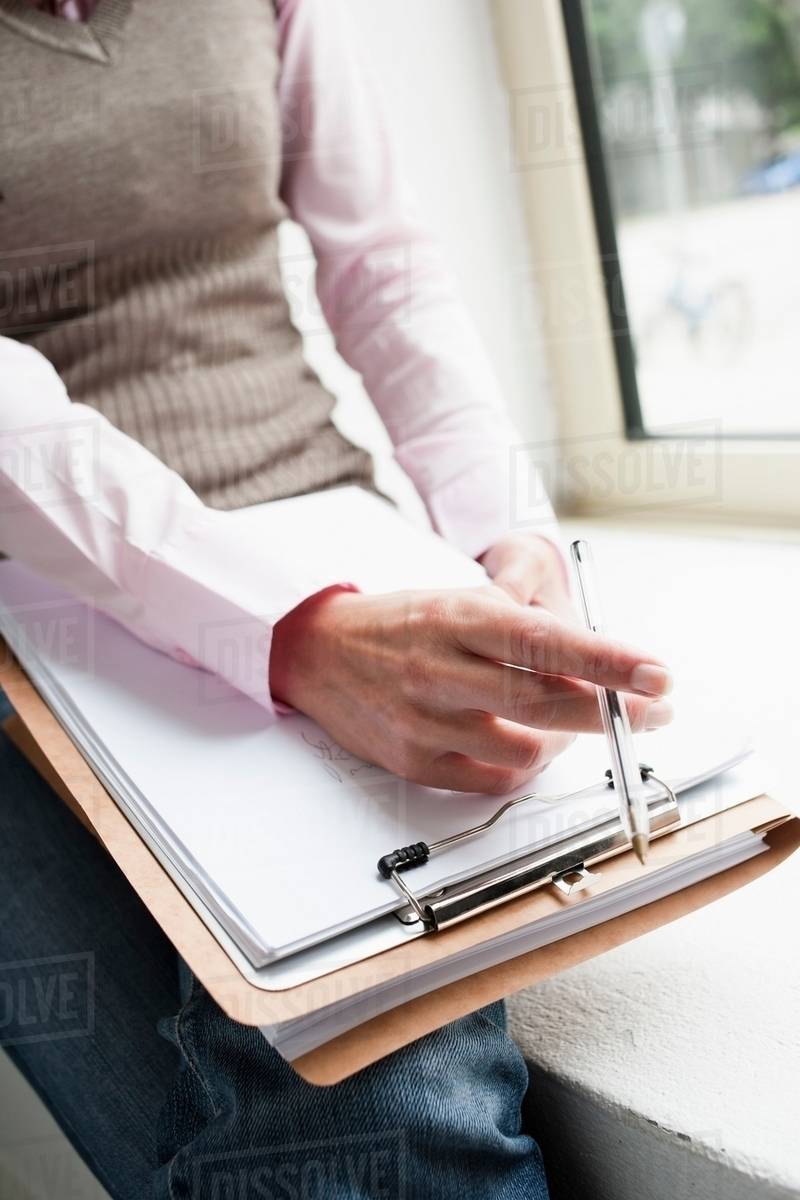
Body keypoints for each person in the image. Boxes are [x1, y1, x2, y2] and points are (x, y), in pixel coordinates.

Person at [0, 1, 673, 1196]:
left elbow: (383, 267)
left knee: (347, 1121)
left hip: (331, 523)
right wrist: (288, 632)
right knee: (364, 1104)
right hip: (38, 609)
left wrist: (497, 533)